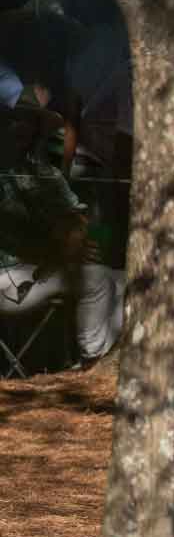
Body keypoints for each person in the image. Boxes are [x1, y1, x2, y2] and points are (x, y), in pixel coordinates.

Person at [0, 88, 123, 365]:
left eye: (28, 122)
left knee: (127, 281)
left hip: (51, 266)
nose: (21, 128)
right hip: (9, 276)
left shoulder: (45, 172)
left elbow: (79, 219)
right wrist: (61, 246)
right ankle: (94, 360)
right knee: (96, 280)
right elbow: (16, 235)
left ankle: (111, 361)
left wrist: (84, 240)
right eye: (14, 120)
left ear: (36, 131)